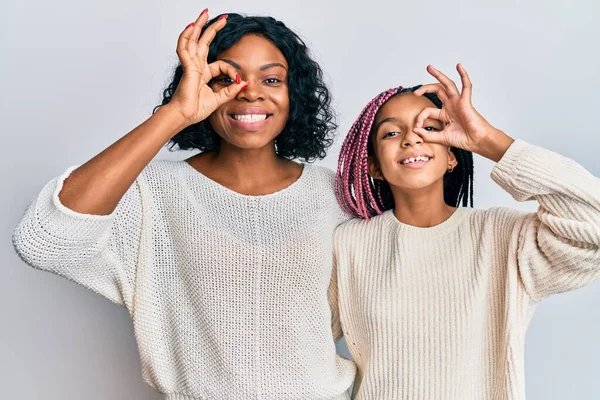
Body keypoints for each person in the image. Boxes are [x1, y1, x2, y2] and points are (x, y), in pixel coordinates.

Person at [13, 10, 355, 400]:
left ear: (294, 93)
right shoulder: (155, 192)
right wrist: (175, 114)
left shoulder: (335, 195)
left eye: (272, 79)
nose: (250, 92)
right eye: (228, 77)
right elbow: (44, 243)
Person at [332, 64, 600, 400]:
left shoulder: (503, 237)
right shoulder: (348, 244)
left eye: (429, 128)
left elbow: (594, 222)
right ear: (373, 165)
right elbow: (304, 348)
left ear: (452, 157)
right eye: (391, 133)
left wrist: (488, 140)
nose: (412, 138)